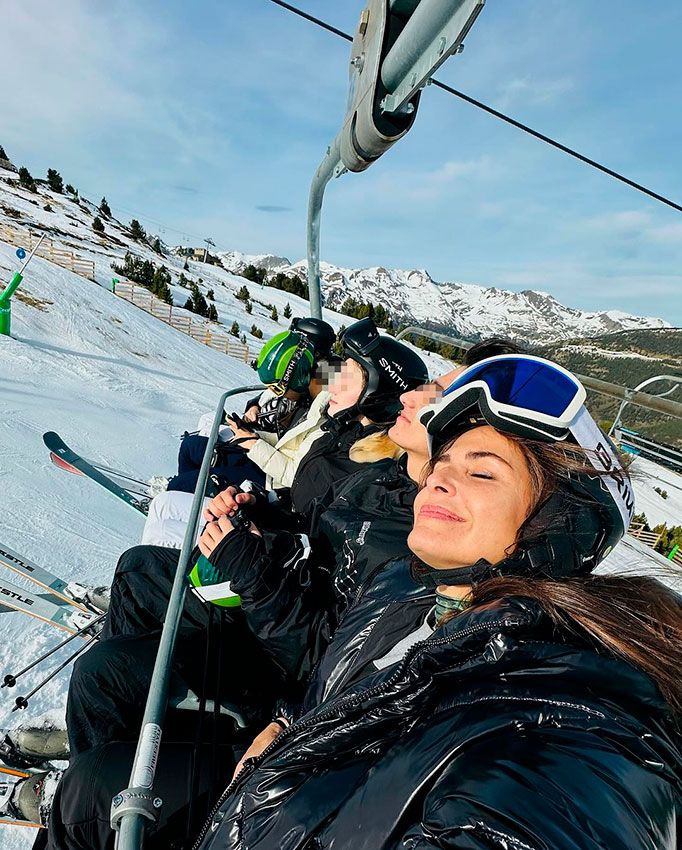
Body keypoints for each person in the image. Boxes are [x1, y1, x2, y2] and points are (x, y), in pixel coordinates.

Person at [43, 354, 682, 849]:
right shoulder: (410, 582)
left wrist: (252, 571)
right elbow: (341, 662)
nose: (442, 476)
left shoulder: (566, 702)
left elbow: (553, 803)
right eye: (446, 461)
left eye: (481, 470)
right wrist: (289, 721)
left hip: (268, 767)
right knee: (92, 772)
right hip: (272, 780)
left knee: (98, 771)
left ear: (554, 525)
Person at [60, 319, 428, 761]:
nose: (333, 379)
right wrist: (257, 511)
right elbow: (309, 523)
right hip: (272, 595)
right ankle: (134, 707)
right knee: (140, 568)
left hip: (271, 642)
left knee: (101, 673)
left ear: (377, 391)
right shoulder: (355, 451)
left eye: (348, 372)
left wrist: (253, 560)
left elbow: (323, 641)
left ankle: (114, 745)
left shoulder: (387, 508)